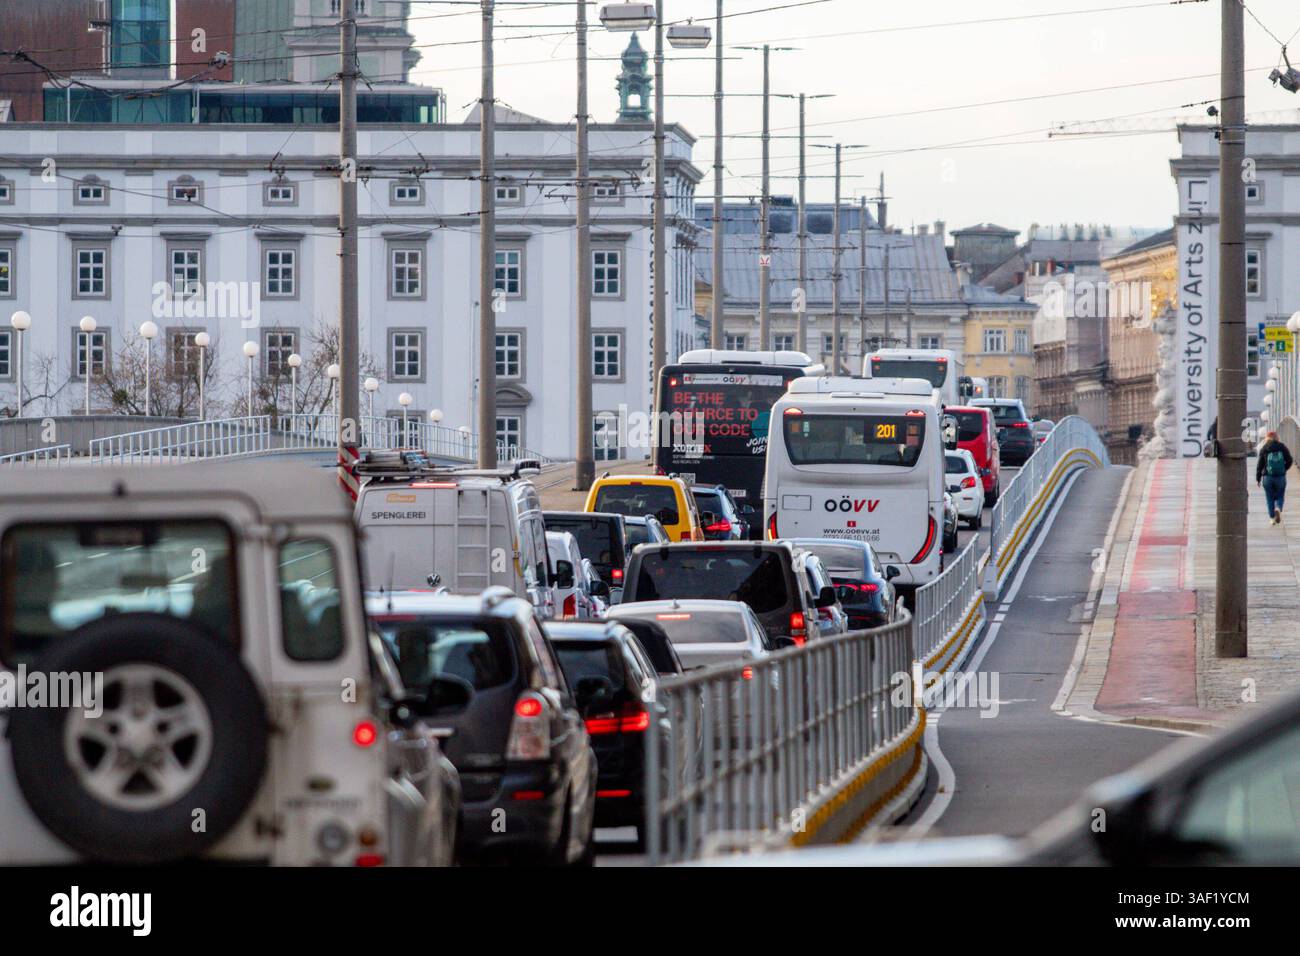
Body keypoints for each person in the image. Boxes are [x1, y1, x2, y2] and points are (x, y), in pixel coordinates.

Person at [1256, 430, 1294, 525]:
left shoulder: (1264, 448)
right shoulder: (1282, 447)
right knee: (1280, 495)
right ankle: (1278, 507)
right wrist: (1284, 469)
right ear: (1277, 437)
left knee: (1269, 497)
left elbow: (1259, 465)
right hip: (1280, 477)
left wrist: (1258, 478)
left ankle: (1272, 518)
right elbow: (1290, 460)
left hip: (1267, 477)